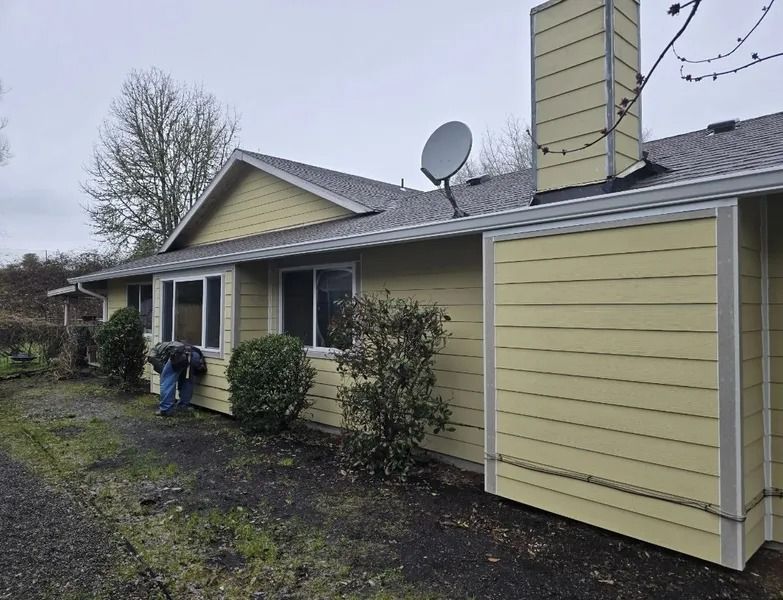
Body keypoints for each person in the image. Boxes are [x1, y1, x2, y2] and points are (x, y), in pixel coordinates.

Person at [148, 342, 207, 416]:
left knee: (167, 381)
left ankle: (165, 409)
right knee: (186, 380)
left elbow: (159, 367)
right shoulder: (169, 345)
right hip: (195, 355)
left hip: (179, 355)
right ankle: (183, 406)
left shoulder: (153, 352)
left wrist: (164, 374)